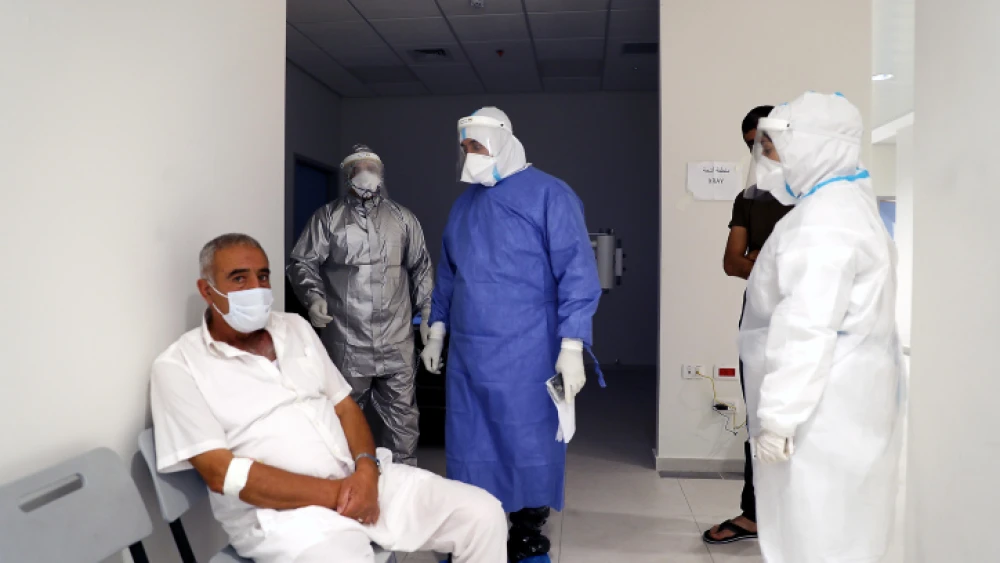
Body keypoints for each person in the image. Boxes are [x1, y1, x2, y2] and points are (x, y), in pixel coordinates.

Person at [150, 234, 506, 563]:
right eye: (239, 279)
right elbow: (222, 473)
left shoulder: (295, 327)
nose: (256, 288)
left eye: (263, 276)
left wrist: (366, 470)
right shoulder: (179, 366)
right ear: (207, 290)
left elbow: (345, 407)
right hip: (285, 517)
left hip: (363, 480)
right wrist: (339, 494)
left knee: (483, 514)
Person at [419, 107, 602, 562]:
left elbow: (577, 273)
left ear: (501, 143)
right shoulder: (464, 205)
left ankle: (525, 529)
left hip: (528, 348)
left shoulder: (550, 195)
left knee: (526, 438)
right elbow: (449, 274)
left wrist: (572, 344)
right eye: (464, 147)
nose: (470, 154)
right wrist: (437, 328)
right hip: (469, 353)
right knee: (471, 439)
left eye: (477, 145)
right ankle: (477, 524)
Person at [739, 92, 905, 562]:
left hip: (819, 408)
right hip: (844, 398)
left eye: (771, 148)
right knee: (844, 525)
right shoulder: (846, 203)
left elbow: (806, 326)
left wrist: (778, 418)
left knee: (815, 529)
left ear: (812, 145)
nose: (768, 161)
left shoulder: (822, 223)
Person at [288, 145, 433, 467]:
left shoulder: (402, 218)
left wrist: (427, 313)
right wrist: (313, 297)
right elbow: (302, 262)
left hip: (396, 338)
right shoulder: (328, 218)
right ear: (347, 175)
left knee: (403, 418)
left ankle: (402, 481)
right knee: (342, 413)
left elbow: (421, 267)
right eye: (358, 168)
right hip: (347, 338)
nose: (365, 174)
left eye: (371, 168)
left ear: (381, 174)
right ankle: (342, 479)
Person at [704, 105, 793, 545]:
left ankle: (804, 520)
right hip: (758, 320)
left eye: (766, 141)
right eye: (751, 145)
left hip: (810, 321)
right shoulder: (749, 198)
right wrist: (771, 259)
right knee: (759, 419)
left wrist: (760, 256)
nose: (759, 152)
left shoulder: (817, 194)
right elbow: (731, 263)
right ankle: (755, 515)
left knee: (806, 421)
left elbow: (815, 264)